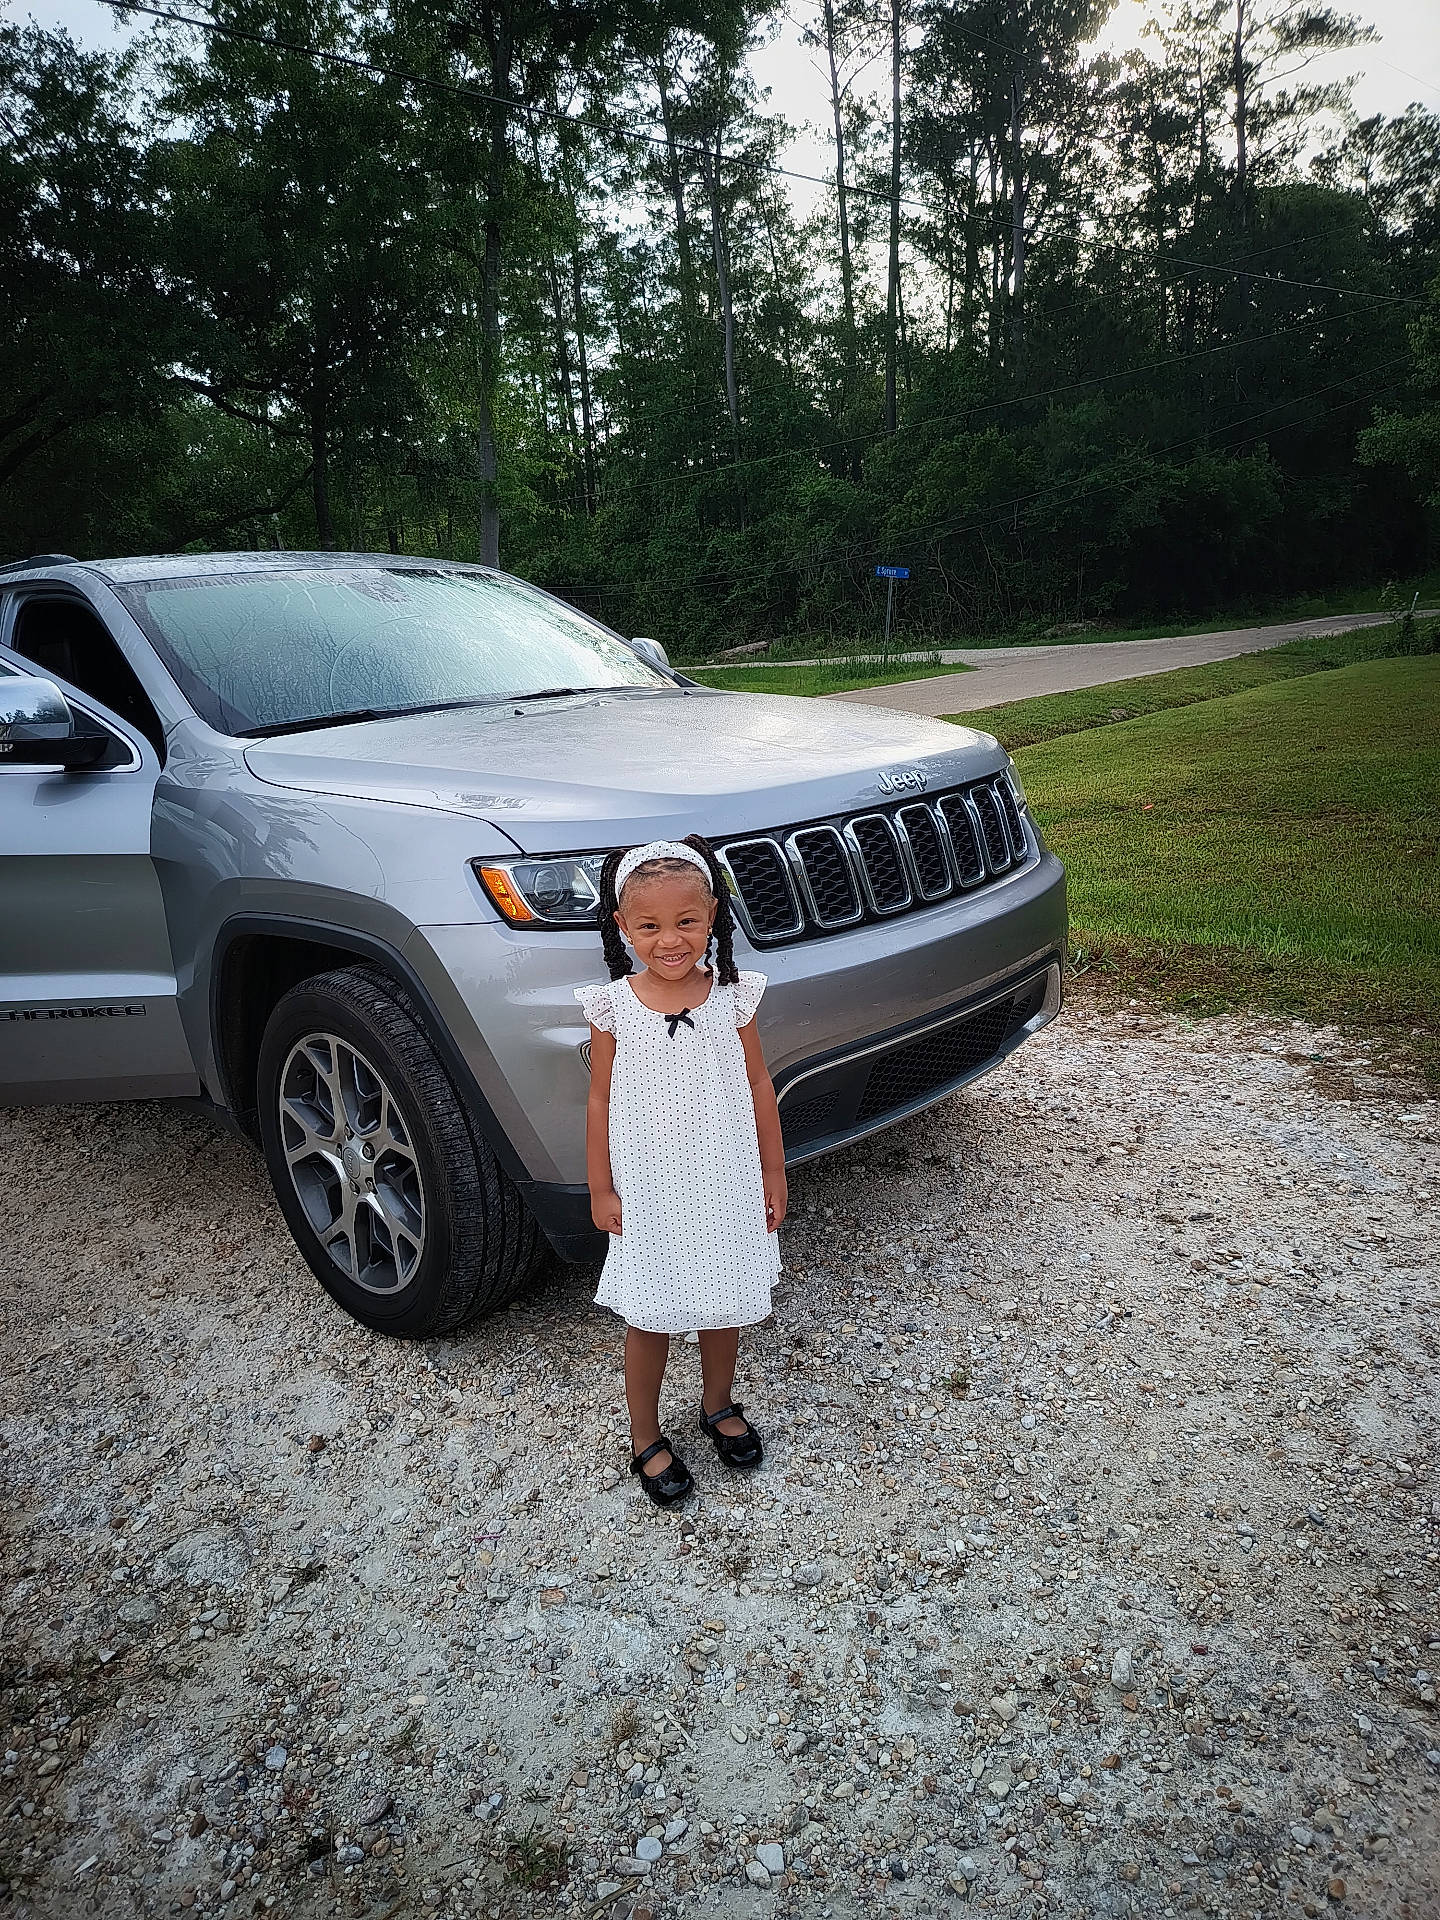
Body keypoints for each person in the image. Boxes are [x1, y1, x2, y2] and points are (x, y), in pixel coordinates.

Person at [575, 835, 786, 1508]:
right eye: (650, 926)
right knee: (651, 1314)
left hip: (725, 1180)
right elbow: (600, 1099)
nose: (670, 940)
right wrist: (600, 1185)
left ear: (712, 916)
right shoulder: (615, 1008)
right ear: (623, 927)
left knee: (723, 1298)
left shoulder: (732, 998)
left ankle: (717, 1403)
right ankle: (645, 1434)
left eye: (687, 921)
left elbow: (758, 1084)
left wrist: (773, 1174)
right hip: (651, 1191)